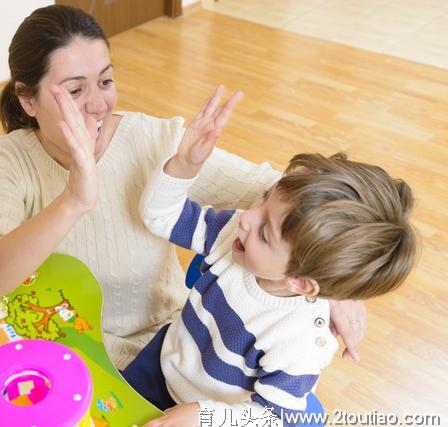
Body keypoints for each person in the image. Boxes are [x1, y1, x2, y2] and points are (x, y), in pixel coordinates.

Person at [0, 4, 366, 371]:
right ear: (27, 99)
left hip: (167, 350)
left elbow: (289, 192)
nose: (98, 104)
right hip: (61, 349)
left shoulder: (154, 140)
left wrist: (334, 284)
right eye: (74, 90)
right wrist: (73, 200)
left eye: (105, 81)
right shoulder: (9, 159)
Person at [121, 94, 417, 427]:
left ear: (301, 283)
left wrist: (203, 416)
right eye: (263, 200)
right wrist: (185, 165)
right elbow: (160, 216)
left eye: (265, 233)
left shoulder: (301, 342)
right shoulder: (232, 235)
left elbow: (273, 416)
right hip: (162, 367)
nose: (246, 217)